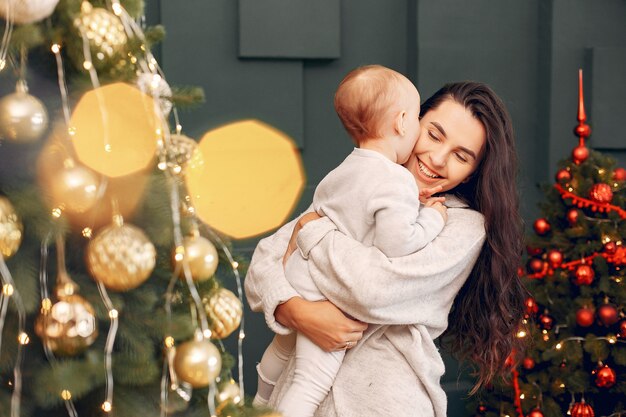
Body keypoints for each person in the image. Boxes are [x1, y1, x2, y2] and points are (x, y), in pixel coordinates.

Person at [245, 81, 527, 417]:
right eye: (434, 135)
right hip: (300, 397)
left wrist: (314, 232)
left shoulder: (463, 227)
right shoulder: (367, 183)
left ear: (472, 173)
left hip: (382, 400)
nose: (437, 158)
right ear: (407, 123)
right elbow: (262, 265)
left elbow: (373, 292)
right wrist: (294, 311)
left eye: (461, 156)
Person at [251, 65, 448, 417]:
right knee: (311, 381)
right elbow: (397, 245)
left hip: (298, 274)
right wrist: (433, 218)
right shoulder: (395, 181)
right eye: (420, 120)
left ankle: (258, 402)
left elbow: (312, 223)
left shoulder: (342, 170)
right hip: (328, 294)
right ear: (402, 122)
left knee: (283, 349)